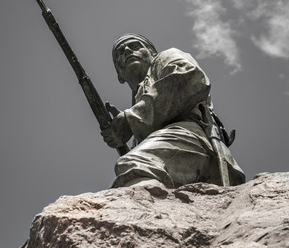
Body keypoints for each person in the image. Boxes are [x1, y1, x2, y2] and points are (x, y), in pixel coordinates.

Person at [101, 34, 245, 188]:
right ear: (119, 75)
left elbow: (189, 79)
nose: (128, 51)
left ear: (152, 53)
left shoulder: (166, 57)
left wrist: (130, 120)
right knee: (132, 166)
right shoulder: (139, 97)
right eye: (120, 53)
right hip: (182, 154)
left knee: (136, 164)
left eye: (135, 46)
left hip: (194, 138)